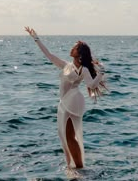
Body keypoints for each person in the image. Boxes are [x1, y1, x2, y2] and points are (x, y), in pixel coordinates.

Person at [25, 26, 106, 168]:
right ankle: (74, 165)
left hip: (73, 101)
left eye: (74, 48)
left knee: (69, 136)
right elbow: (48, 55)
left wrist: (101, 72)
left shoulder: (84, 69)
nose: (71, 49)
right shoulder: (66, 65)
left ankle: (78, 167)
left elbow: (92, 85)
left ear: (78, 53)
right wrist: (36, 38)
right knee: (65, 135)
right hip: (66, 101)